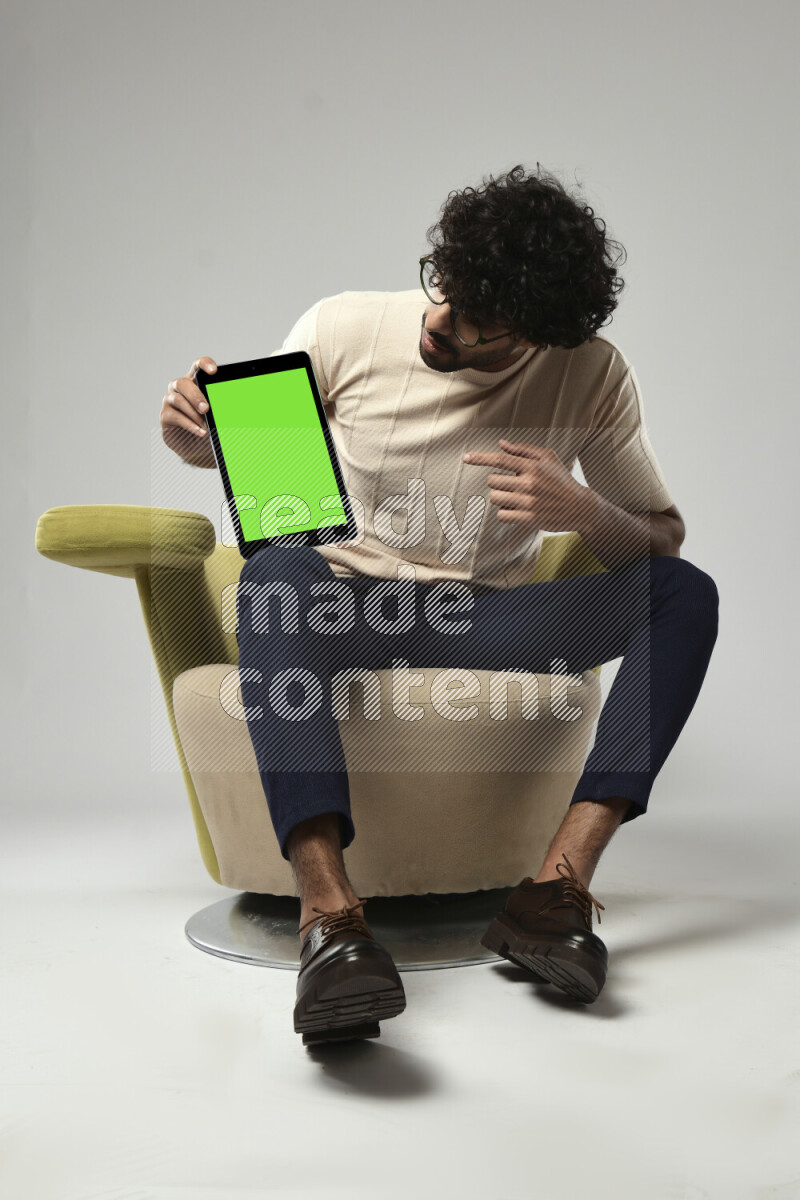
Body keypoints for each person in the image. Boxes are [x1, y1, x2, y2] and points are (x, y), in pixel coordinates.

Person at [160, 163, 719, 1044]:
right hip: (342, 606)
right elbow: (263, 479)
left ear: (538, 336)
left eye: (477, 328)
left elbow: (661, 538)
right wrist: (195, 437)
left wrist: (583, 510)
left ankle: (556, 891)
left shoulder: (590, 375)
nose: (441, 326)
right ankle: (329, 920)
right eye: (444, 291)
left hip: (482, 620)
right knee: (275, 576)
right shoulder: (342, 326)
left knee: (683, 594)